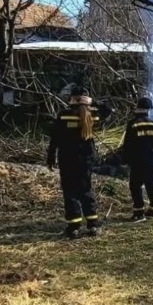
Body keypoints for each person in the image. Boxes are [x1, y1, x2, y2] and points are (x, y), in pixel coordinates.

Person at [46, 86, 112, 239]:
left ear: (71, 99)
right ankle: (93, 225)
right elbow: (108, 111)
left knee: (70, 192)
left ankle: (74, 227)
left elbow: (54, 138)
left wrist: (51, 157)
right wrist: (93, 102)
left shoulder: (63, 115)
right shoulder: (92, 115)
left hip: (67, 159)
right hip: (86, 160)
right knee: (86, 190)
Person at [120, 97, 153, 222]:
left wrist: (125, 160)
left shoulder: (132, 124)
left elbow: (128, 145)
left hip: (137, 161)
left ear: (138, 108)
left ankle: (139, 212)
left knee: (135, 186)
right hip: (151, 161)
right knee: (151, 185)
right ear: (148, 110)